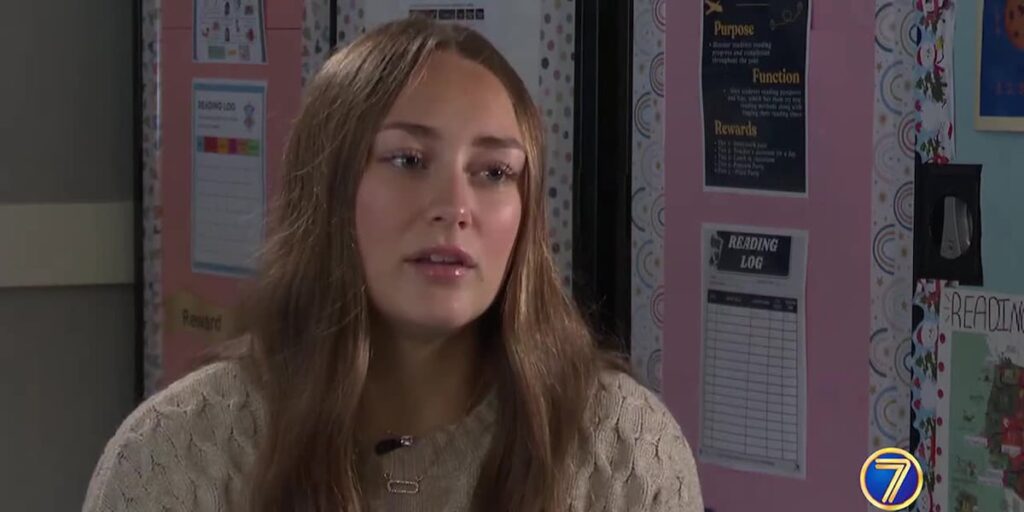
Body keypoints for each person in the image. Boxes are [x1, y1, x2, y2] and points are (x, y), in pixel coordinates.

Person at [83, 18, 703, 512]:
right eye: (408, 160)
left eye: (493, 172)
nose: (454, 207)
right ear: (327, 190)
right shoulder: (177, 452)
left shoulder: (624, 448)